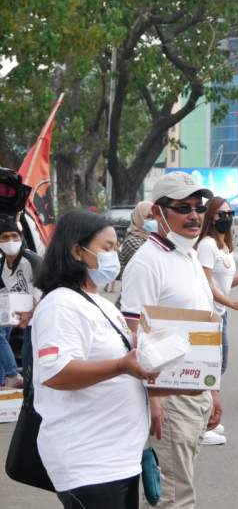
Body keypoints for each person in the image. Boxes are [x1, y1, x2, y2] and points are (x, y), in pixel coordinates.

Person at [30, 211, 162, 508]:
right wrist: (121, 365)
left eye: (116, 247)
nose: (115, 255)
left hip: (120, 458)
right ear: (77, 251)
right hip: (89, 461)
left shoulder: (100, 303)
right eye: (107, 247)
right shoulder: (61, 304)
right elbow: (57, 373)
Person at [121, 172, 220, 509]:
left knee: (179, 486)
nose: (194, 215)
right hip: (169, 394)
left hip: (196, 389)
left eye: (199, 207)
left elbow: (205, 327)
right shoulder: (147, 263)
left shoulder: (188, 255)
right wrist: (153, 399)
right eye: (183, 208)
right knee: (174, 496)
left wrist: (213, 391)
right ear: (157, 213)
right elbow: (136, 335)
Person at [195, 196, 238, 444]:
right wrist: (233, 303)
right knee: (209, 368)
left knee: (219, 365)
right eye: (221, 214)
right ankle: (202, 425)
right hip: (208, 315)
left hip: (221, 314)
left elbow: (224, 281)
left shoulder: (223, 247)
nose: (226, 218)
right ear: (210, 216)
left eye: (229, 213)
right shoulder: (207, 245)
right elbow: (206, 284)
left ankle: (208, 419)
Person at [0, 214, 40, 388]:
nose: (11, 240)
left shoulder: (32, 260)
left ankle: (12, 374)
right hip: (16, 309)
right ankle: (5, 380)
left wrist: (31, 310)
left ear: (21, 238)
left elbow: (44, 291)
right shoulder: (2, 265)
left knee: (30, 355)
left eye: (14, 236)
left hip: (37, 311)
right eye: (5, 237)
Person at [114, 200, 155, 307]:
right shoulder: (132, 240)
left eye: (154, 217)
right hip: (130, 303)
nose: (152, 221)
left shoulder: (150, 238)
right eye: (148, 217)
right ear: (139, 217)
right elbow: (152, 260)